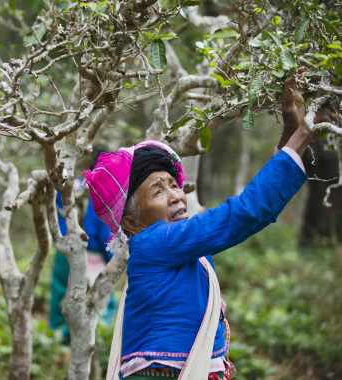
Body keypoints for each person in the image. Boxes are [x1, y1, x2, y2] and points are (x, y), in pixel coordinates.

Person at [84, 79, 313, 380]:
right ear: (131, 222)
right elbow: (244, 213)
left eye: (174, 185)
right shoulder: (157, 242)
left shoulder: (180, 246)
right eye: (158, 191)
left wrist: (291, 133)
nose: (177, 195)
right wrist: (300, 139)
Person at [49, 193, 118, 343]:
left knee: (63, 291)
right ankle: (95, 334)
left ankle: (60, 335)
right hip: (90, 252)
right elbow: (104, 229)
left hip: (65, 244)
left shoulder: (64, 183)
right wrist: (109, 256)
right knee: (97, 297)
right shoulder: (99, 189)